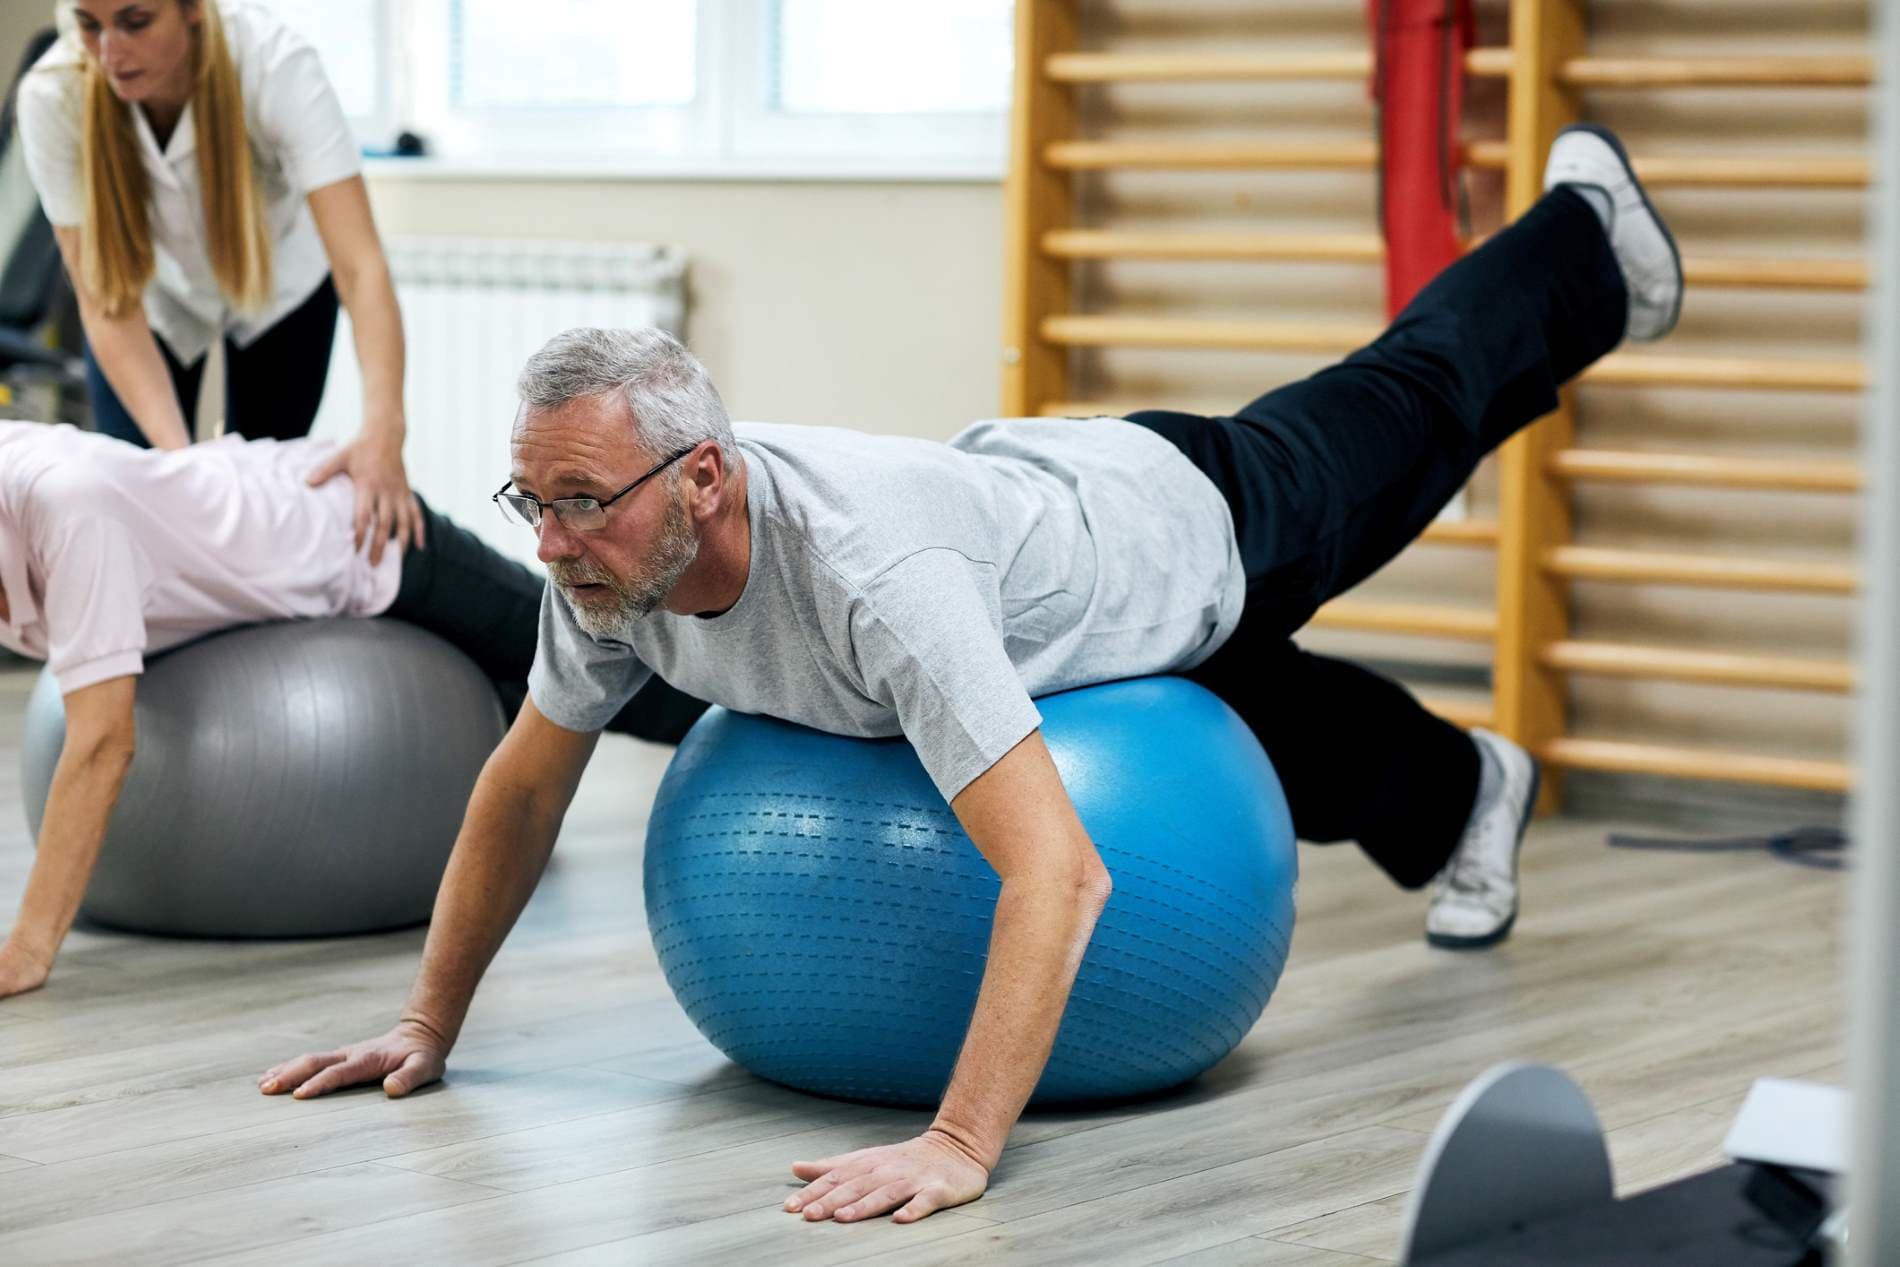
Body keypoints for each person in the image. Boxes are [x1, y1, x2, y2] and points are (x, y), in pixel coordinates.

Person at [260, 125, 1683, 1227]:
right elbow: (522, 789)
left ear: (702, 475)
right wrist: (425, 1021)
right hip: (1053, 542)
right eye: (531, 504)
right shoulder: (608, 579)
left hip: (1191, 518)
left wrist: (958, 1142)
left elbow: (1063, 872)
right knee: (1263, 711)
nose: (553, 541)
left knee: (1417, 401)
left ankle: (1588, 236)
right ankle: (1466, 791)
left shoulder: (878, 581)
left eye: (581, 498)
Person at [0, 419, 707, 1000]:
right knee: (520, 689)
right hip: (271, 561)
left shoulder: (69, 509)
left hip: (361, 537)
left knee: (611, 666)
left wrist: (29, 945)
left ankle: (756, 718)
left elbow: (102, 743)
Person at [16, 0, 423, 559]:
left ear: (191, 10)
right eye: (89, 25)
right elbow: (105, 300)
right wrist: (185, 468)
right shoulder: (52, 94)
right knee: (148, 500)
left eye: (135, 22)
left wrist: (385, 432)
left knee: (266, 504)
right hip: (151, 297)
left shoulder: (277, 65)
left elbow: (361, 266)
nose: (109, 52)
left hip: (281, 287)